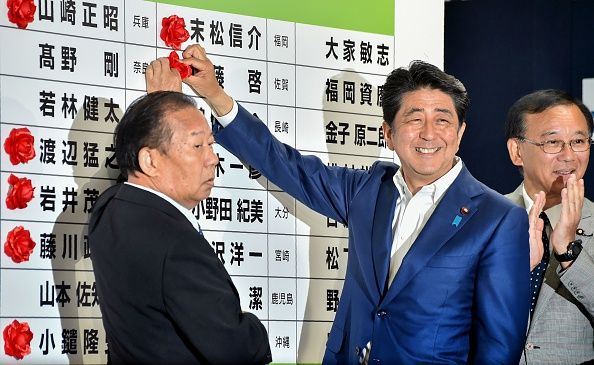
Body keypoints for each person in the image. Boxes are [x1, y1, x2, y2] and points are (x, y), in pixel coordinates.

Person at [147, 44, 531, 364]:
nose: (429, 133)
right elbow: (282, 163)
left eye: (443, 120)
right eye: (414, 119)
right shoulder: (367, 189)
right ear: (389, 133)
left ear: (460, 133)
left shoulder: (498, 218)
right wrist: (215, 95)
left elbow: (499, 346)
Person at [88, 84, 272, 363]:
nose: (213, 159)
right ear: (149, 160)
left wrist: (161, 105)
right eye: (197, 145)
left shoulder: (108, 210)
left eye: (211, 144)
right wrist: (256, 329)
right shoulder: (178, 247)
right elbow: (237, 350)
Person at [505, 89, 594, 365]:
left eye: (578, 141)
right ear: (517, 151)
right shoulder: (488, 218)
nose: (569, 156)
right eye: (553, 142)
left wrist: (568, 252)